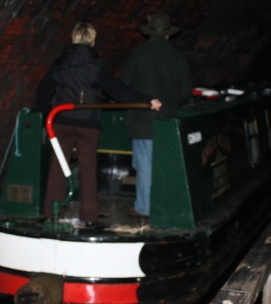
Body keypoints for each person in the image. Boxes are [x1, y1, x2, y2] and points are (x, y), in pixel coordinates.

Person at [36, 22, 161, 227]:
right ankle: (89, 218)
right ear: (92, 41)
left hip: (60, 121)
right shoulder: (98, 66)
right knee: (88, 170)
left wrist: (46, 115)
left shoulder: (60, 63)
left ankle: (51, 214)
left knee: (57, 168)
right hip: (88, 124)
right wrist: (147, 100)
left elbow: (42, 91)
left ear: (73, 37)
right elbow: (118, 91)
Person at [121, 13, 192, 218]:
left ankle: (144, 207)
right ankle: (166, 204)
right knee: (166, 164)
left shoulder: (137, 54)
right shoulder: (178, 56)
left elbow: (124, 85)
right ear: (168, 34)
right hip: (168, 119)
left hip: (142, 119)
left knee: (144, 165)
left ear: (149, 32)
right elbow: (185, 90)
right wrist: (170, 104)